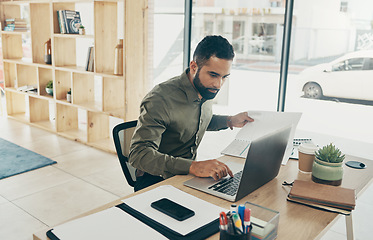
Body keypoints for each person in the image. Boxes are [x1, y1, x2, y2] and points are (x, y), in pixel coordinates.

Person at [129, 35, 254, 191]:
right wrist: (194, 167)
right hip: (156, 180)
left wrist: (230, 120)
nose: (218, 84)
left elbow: (198, 119)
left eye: (224, 77)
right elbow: (138, 154)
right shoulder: (160, 99)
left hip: (189, 176)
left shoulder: (205, 89)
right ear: (194, 67)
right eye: (213, 75)